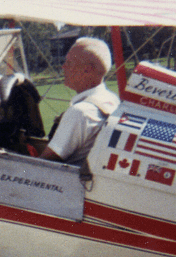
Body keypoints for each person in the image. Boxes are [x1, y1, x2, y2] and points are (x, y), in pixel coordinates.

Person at [40, 37, 120, 166]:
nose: (63, 67)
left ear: (87, 70)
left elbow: (43, 163)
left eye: (69, 63)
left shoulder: (80, 112)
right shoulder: (112, 99)